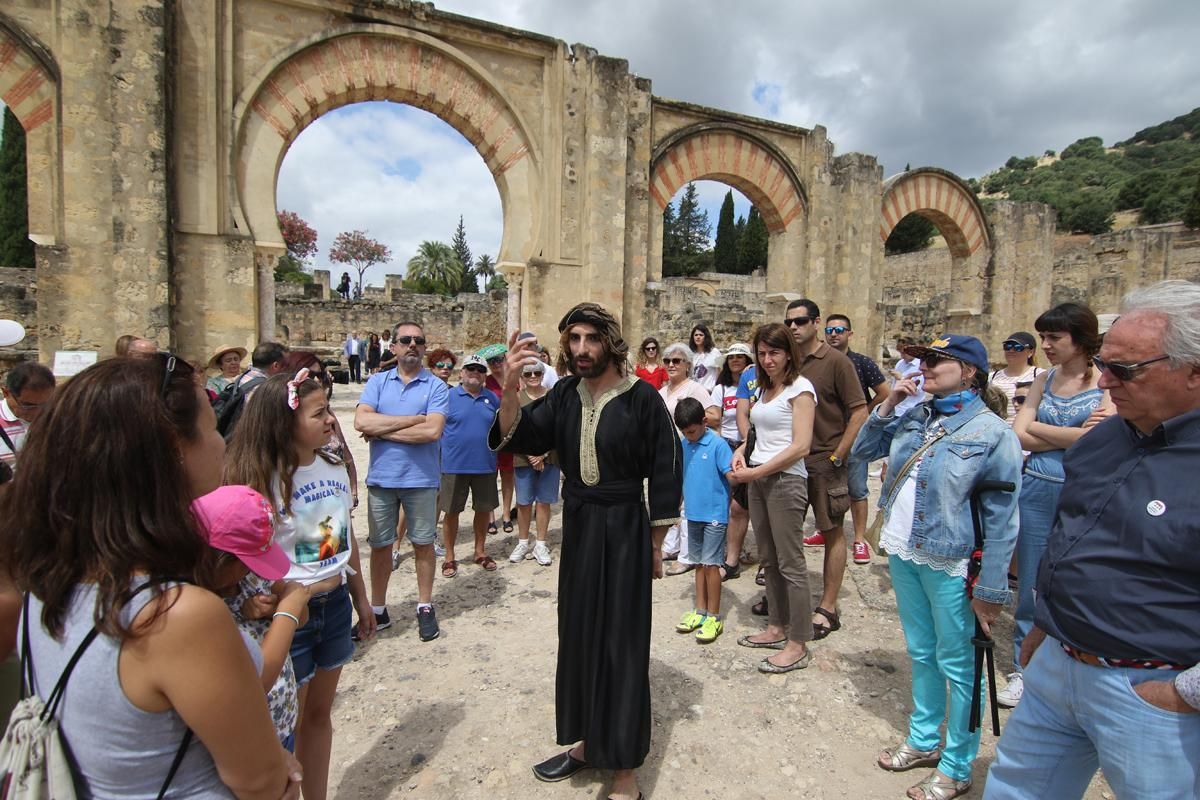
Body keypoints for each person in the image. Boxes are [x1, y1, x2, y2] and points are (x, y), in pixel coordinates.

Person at [2, 354, 300, 799]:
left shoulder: (45, 582)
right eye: (211, 426)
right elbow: (259, 781)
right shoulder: (177, 616)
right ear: (171, 452)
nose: (222, 443)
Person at [984, 280, 1200, 799]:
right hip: (1058, 664)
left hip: (1149, 690)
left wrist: (1184, 693)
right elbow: (1069, 533)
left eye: (1125, 369)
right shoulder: (1107, 436)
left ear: (1193, 370)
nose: (1104, 379)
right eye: (1105, 362)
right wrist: (1049, 627)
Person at [490, 303, 682, 800]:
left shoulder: (642, 398)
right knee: (577, 634)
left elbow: (666, 468)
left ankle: (624, 773)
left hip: (624, 528)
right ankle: (584, 743)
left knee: (622, 642)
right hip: (579, 524)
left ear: (609, 342)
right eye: (572, 339)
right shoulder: (564, 396)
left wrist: (656, 544)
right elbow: (515, 435)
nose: (580, 349)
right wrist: (510, 386)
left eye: (590, 339)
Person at [852, 333, 1021, 800]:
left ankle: (957, 763)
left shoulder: (992, 433)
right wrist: (888, 407)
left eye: (935, 361)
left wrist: (991, 587)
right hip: (905, 550)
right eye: (923, 359)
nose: (923, 367)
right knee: (922, 652)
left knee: (960, 664)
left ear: (968, 371)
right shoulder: (917, 415)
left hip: (951, 560)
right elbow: (863, 452)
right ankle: (925, 739)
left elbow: (1003, 520)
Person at [225, 369, 374, 800]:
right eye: (319, 412)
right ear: (284, 422)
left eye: (329, 408)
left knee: (320, 716)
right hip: (289, 616)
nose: (330, 419)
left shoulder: (331, 465)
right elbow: (242, 552)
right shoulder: (260, 479)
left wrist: (361, 597)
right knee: (288, 719)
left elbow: (345, 538)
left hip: (335, 603)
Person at [999, 303, 1110, 710]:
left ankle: (1073, 662)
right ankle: (1022, 668)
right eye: (1042, 337)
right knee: (1030, 578)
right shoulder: (1044, 378)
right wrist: (1071, 434)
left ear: (1079, 339)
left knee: (1076, 577)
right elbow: (1017, 433)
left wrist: (1042, 433)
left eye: (1053, 338)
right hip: (1038, 487)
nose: (1044, 345)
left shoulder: (1105, 381)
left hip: (1085, 490)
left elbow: (1096, 441)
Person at [193, 485, 308, 750]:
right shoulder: (201, 608)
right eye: (247, 562)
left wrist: (275, 607)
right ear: (217, 560)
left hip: (282, 725)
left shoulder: (252, 579)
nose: (250, 571)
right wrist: (287, 611)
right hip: (249, 742)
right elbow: (256, 681)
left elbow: (300, 608)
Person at [730, 323, 817, 673]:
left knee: (791, 562)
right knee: (769, 559)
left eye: (774, 353)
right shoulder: (765, 390)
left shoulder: (801, 388)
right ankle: (776, 626)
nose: (767, 360)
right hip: (760, 478)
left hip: (783, 481)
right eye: (762, 353)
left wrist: (754, 472)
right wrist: (741, 451)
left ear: (788, 354)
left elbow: (801, 446)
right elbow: (761, 433)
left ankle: (798, 641)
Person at [354, 322, 449, 642]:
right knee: (381, 545)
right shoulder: (378, 382)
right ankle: (378, 608)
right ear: (392, 347)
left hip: (421, 480)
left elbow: (432, 431)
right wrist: (413, 419)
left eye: (419, 341)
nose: (413, 345)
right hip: (382, 478)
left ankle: (424, 605)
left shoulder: (435, 386)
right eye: (405, 340)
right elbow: (360, 420)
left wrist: (381, 430)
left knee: (423, 544)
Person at [787, 299, 867, 641]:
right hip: (790, 460)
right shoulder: (787, 360)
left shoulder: (836, 362)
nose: (793, 327)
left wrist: (838, 455)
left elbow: (859, 410)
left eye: (800, 321)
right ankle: (787, 598)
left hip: (824, 460)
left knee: (832, 530)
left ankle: (828, 607)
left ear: (816, 323)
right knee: (786, 534)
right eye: (789, 321)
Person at [823, 314, 890, 565]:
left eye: (839, 329)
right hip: (825, 434)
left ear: (849, 333)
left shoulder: (862, 363)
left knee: (857, 487)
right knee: (823, 486)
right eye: (829, 330)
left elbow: (885, 392)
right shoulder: (818, 362)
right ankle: (825, 528)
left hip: (854, 435)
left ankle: (859, 539)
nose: (834, 334)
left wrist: (862, 413)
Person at [673, 397, 734, 644]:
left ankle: (714, 615)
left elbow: (730, 474)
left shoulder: (718, 445)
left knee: (711, 566)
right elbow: (681, 476)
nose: (689, 436)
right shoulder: (684, 444)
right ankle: (700, 611)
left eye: (692, 431)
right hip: (693, 514)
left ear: (704, 422)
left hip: (714, 517)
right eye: (684, 433)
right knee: (698, 563)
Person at [658, 342, 719, 576]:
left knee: (686, 503)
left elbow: (714, 416)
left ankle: (687, 554)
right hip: (666, 453)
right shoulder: (662, 392)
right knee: (669, 500)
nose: (671, 365)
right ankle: (671, 546)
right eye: (667, 361)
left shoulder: (694, 388)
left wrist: (688, 417)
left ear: (687, 365)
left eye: (676, 361)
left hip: (689, 451)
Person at [438, 355, 502, 577]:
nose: (475, 372)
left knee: (483, 510)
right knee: (452, 511)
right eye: (470, 368)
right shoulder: (447, 397)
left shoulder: (492, 399)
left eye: (479, 369)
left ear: (485, 375)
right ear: (461, 373)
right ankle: (449, 556)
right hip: (454, 465)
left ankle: (480, 551)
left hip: (484, 464)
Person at [280, 351, 359, 504]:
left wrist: (353, 491)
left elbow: (344, 453)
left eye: (320, 374)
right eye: (310, 374)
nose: (316, 379)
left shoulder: (328, 414)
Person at [708, 343, 753, 580]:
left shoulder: (757, 386)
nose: (735, 360)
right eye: (731, 357)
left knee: (740, 505)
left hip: (750, 446)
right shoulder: (721, 389)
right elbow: (715, 416)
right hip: (726, 445)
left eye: (740, 357)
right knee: (724, 502)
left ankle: (733, 557)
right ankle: (726, 552)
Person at [509, 360, 559, 567]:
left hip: (550, 456)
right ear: (522, 376)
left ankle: (540, 543)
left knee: (544, 501)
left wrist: (543, 454)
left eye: (536, 372)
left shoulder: (553, 397)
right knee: (523, 502)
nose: (532, 377)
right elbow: (512, 430)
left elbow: (559, 427)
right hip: (523, 457)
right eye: (527, 374)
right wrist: (531, 454)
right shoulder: (516, 399)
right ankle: (522, 542)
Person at [479, 342, 517, 533]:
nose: (495, 363)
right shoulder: (485, 382)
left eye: (498, 359)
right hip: (490, 434)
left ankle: (506, 514)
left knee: (508, 475)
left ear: (505, 359)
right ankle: (490, 516)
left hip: (510, 434)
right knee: (490, 477)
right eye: (490, 361)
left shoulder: (514, 380)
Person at [0, 362, 55, 469]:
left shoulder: (58, 417)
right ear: (6, 393)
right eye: (28, 405)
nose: (37, 412)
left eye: (44, 404)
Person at [990, 332, 1043, 424]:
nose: (1011, 350)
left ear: (1031, 352)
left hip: (1026, 431)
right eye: (1007, 346)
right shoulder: (991, 377)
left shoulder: (1040, 375)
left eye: (1018, 347)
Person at [689, 323, 722, 391]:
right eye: (696, 335)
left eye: (701, 335)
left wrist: (716, 389)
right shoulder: (691, 354)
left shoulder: (714, 352)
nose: (698, 337)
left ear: (705, 337)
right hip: (694, 392)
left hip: (709, 391)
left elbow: (720, 372)